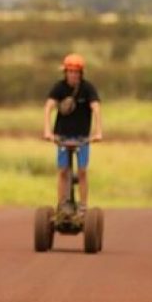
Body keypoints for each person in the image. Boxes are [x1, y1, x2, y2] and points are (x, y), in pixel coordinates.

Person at [43, 53, 103, 210]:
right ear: (65, 72)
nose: (73, 75)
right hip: (62, 136)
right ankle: (62, 204)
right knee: (63, 171)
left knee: (82, 171)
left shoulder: (87, 88)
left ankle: (83, 206)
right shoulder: (59, 87)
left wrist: (98, 132)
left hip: (82, 137)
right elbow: (48, 107)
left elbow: (96, 107)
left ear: (81, 73)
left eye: (76, 72)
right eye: (70, 71)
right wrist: (48, 131)